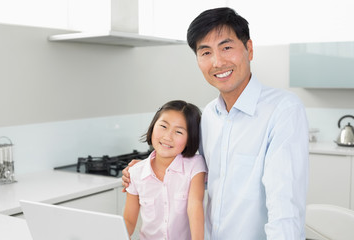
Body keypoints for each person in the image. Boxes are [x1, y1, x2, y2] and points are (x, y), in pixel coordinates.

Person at [123, 7, 309, 240]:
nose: (218, 61)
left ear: (249, 49)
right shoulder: (209, 115)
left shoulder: (283, 110)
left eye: (226, 47)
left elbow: (285, 207)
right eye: (206, 52)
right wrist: (146, 168)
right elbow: (190, 170)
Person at [123, 100, 207, 240]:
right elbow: (129, 221)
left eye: (179, 131)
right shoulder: (135, 172)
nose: (168, 137)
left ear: (190, 138)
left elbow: (195, 207)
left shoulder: (195, 165)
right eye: (163, 126)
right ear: (153, 126)